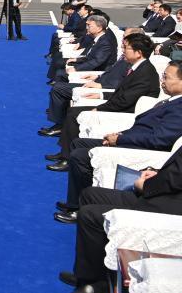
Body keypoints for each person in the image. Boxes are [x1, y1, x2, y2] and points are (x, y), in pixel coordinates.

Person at [54, 61, 182, 224]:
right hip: (130, 138)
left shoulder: (179, 108)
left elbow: (158, 139)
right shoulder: (172, 101)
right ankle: (74, 202)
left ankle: (77, 209)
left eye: (166, 77)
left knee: (80, 156)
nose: (162, 81)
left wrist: (120, 139)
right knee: (79, 144)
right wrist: (120, 135)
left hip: (139, 149)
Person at [60, 144, 182, 293]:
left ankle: (96, 285)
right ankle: (88, 275)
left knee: (89, 216)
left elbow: (176, 176)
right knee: (89, 195)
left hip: (169, 206)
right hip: (163, 192)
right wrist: (157, 173)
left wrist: (145, 185)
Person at [46, 32, 161, 167]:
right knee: (73, 111)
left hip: (126, 113)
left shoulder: (145, 73)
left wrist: (99, 108)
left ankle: (67, 158)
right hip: (117, 105)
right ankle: (65, 153)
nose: (123, 50)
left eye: (126, 48)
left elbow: (125, 101)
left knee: (74, 115)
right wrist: (102, 96)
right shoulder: (137, 67)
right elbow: (122, 93)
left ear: (138, 53)